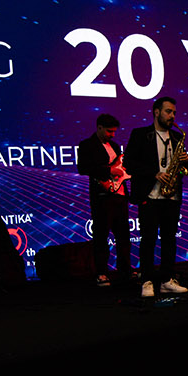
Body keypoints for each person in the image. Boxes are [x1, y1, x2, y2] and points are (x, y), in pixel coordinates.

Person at [125, 96, 188, 298]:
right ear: (156, 112)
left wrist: (186, 161)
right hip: (150, 195)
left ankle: (167, 280)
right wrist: (155, 173)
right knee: (149, 240)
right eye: (168, 111)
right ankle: (147, 281)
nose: (172, 116)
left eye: (174, 112)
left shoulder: (176, 137)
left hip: (171, 196)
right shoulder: (140, 134)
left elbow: (183, 167)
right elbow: (129, 163)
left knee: (169, 239)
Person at [76, 112, 132, 291]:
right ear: (99, 127)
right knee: (101, 236)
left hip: (120, 196)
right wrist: (108, 172)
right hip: (102, 197)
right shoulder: (87, 145)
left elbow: (121, 168)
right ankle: (101, 273)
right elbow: (83, 168)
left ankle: (125, 272)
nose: (112, 135)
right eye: (109, 131)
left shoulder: (114, 146)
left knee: (123, 237)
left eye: (114, 131)